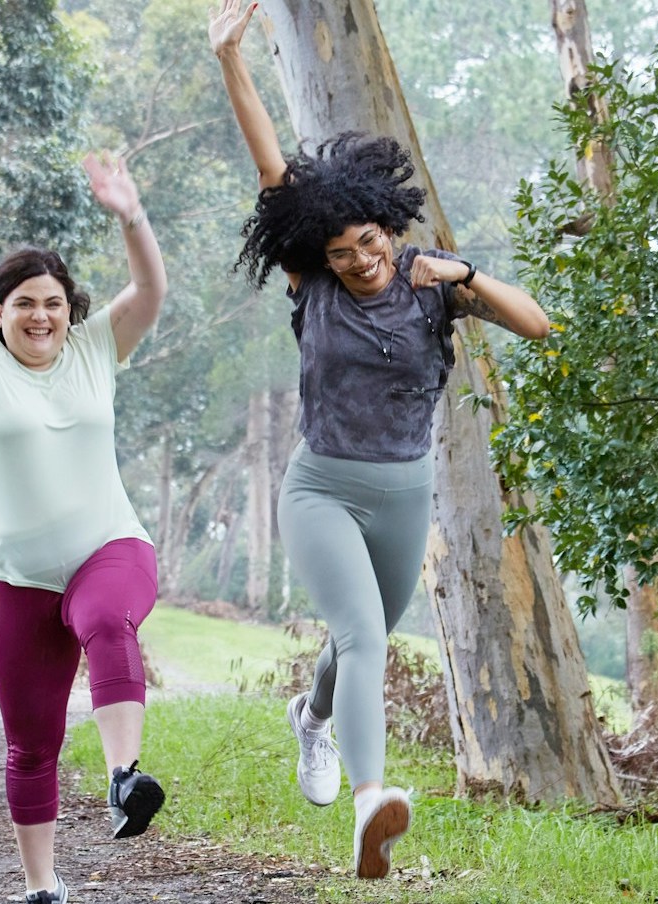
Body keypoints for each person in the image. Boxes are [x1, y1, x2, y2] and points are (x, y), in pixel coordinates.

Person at [209, 0, 554, 881]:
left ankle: (311, 721)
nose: (359, 260)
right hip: (321, 486)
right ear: (318, 258)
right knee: (363, 637)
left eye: (369, 243)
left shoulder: (430, 286)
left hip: (404, 494)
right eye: (340, 251)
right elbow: (271, 171)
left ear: (389, 232)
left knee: (354, 644)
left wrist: (467, 273)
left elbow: (541, 326)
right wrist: (231, 61)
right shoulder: (313, 289)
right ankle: (372, 802)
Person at [0, 142, 169, 904]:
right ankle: (42, 886)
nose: (41, 314)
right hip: (11, 578)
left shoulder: (96, 350)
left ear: (70, 312)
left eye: (53, 301)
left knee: (107, 620)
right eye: (24, 301)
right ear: (0, 313)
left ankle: (126, 779)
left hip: (108, 549)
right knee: (32, 744)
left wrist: (131, 215)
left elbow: (151, 289)